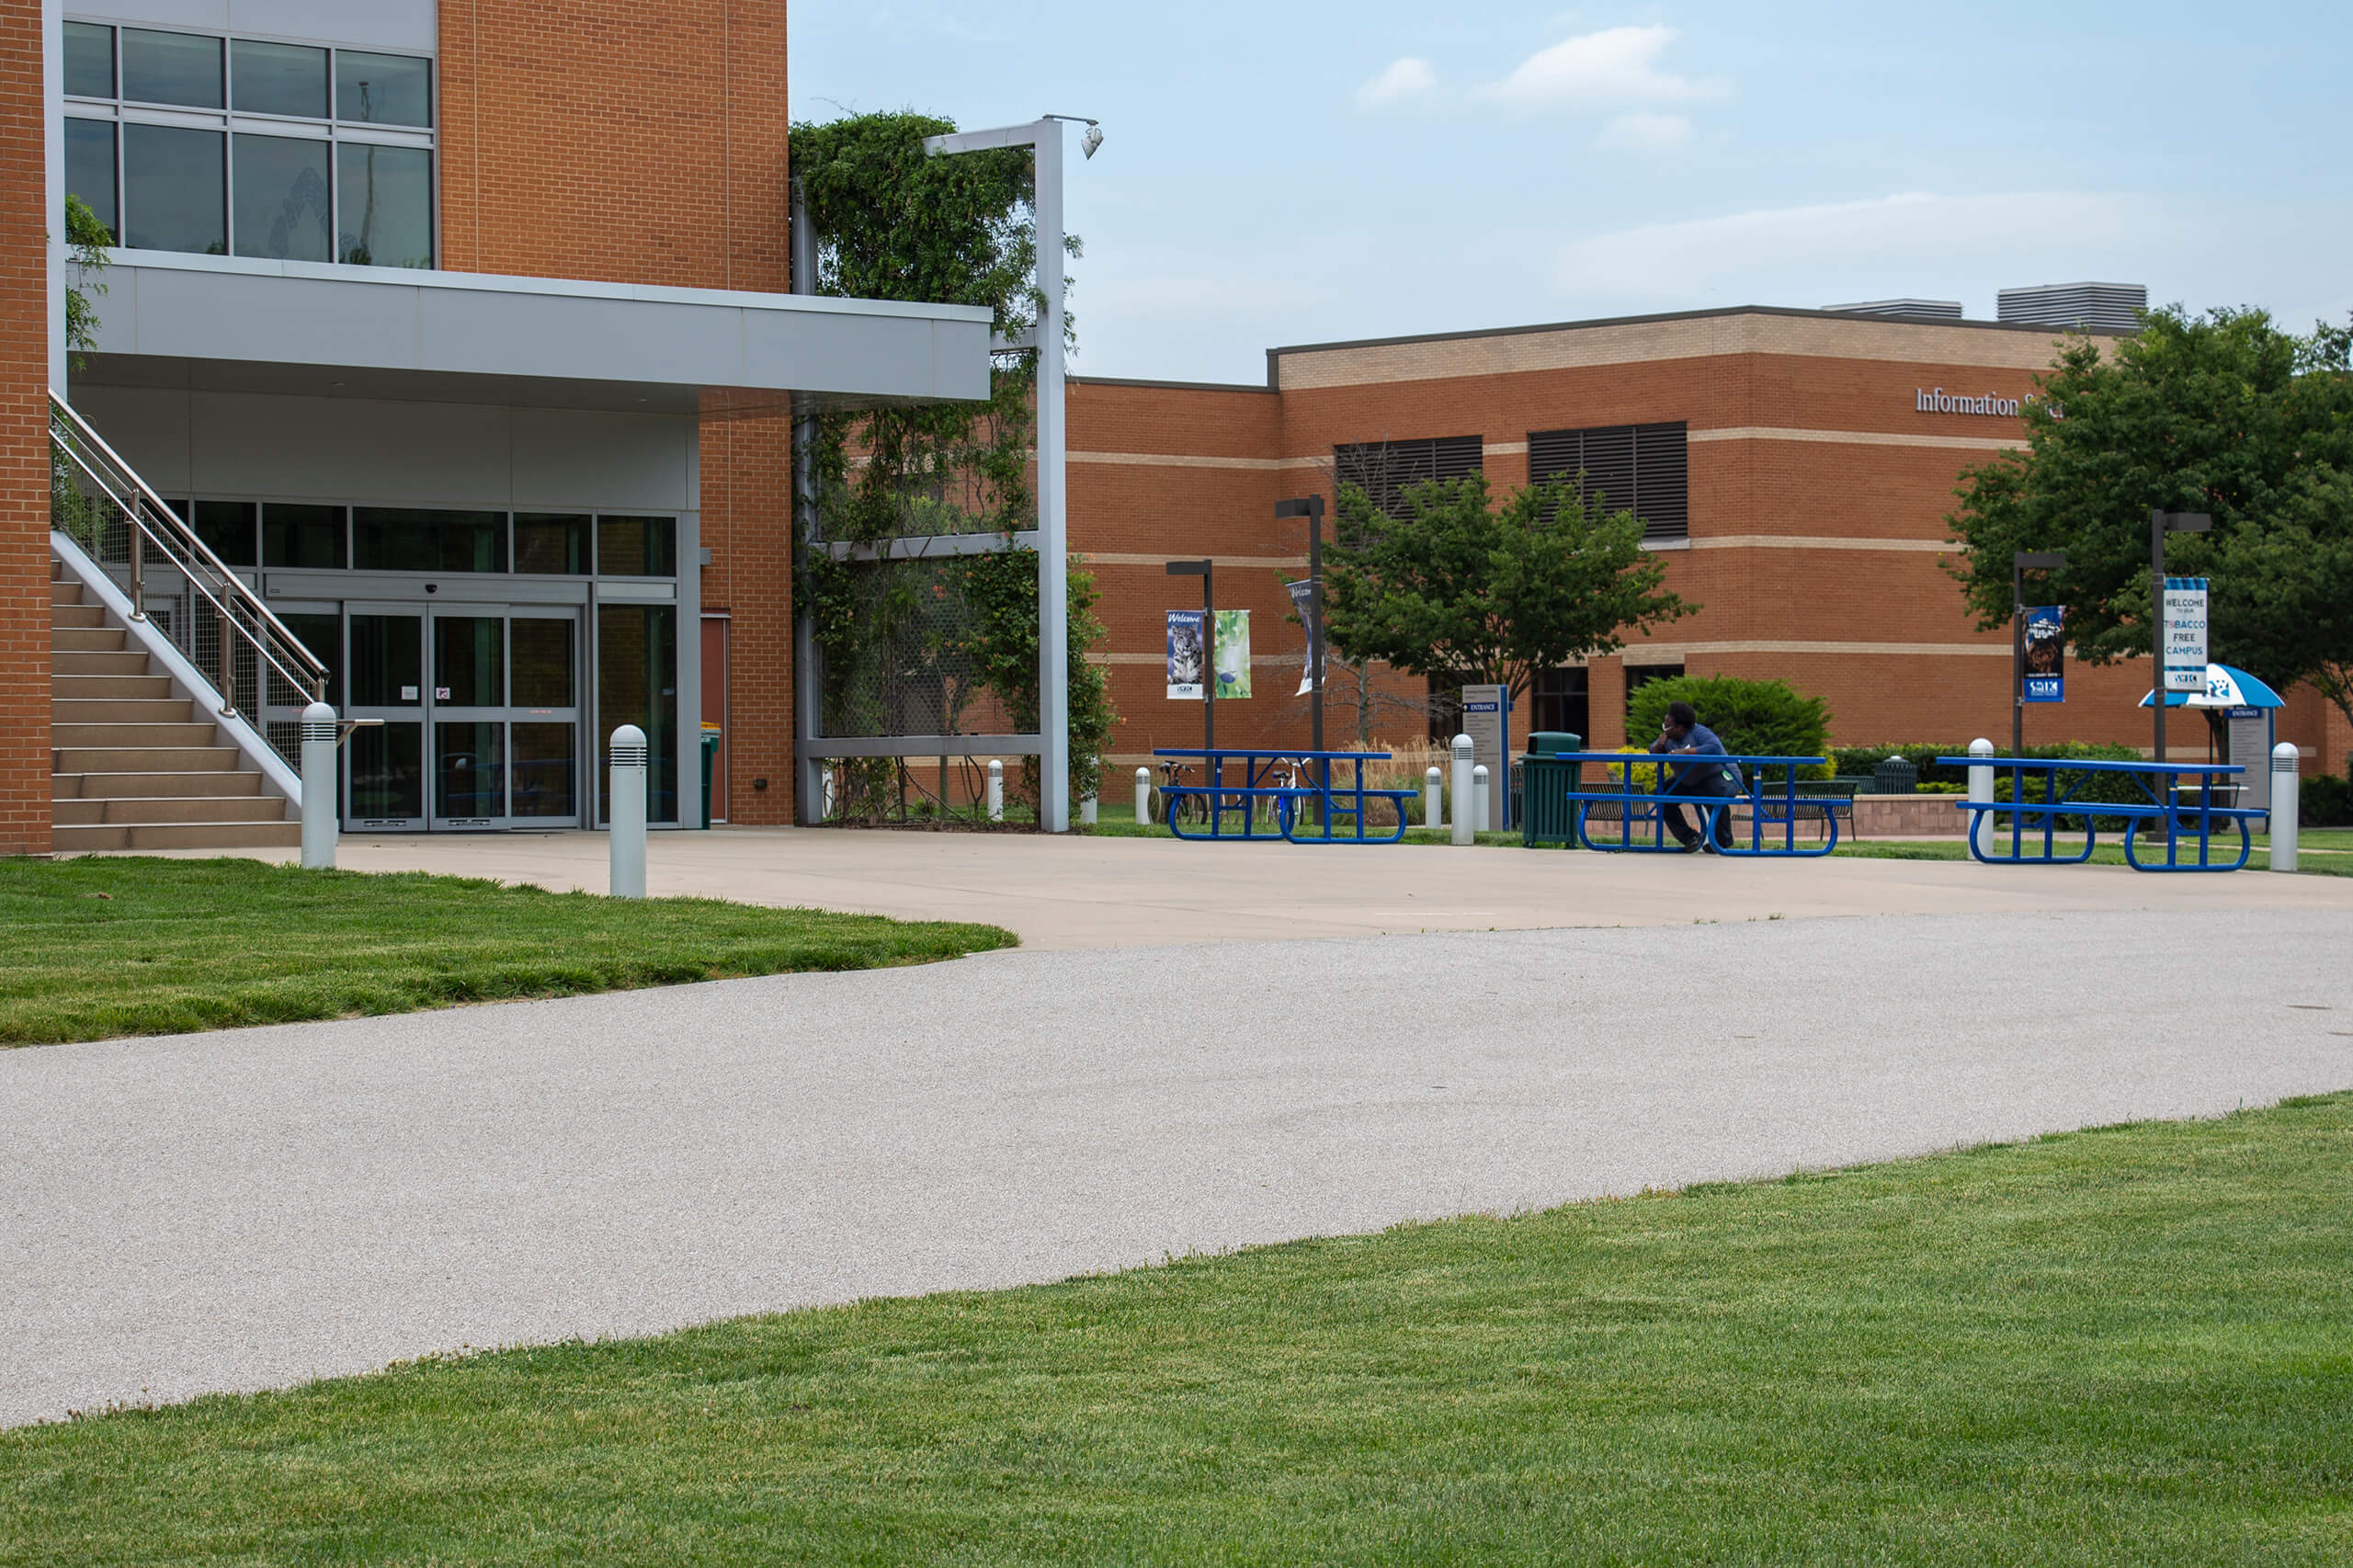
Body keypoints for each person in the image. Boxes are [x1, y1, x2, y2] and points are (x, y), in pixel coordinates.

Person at [1648, 700, 1743, 851]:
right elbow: (1652, 751)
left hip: (1719, 776)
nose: (1664, 729)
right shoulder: (1668, 738)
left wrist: (1686, 752)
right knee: (1662, 794)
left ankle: (1722, 841)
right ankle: (1690, 837)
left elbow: (1714, 747)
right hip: (1689, 780)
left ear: (1679, 728)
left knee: (1717, 794)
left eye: (1667, 726)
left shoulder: (1699, 732)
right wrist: (1658, 746)